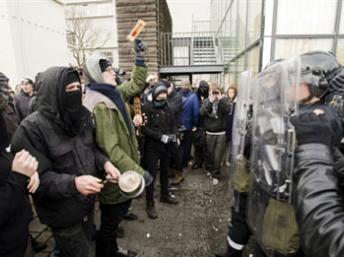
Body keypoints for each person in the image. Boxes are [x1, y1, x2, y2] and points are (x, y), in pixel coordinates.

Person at [11, 67, 120, 257]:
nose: (75, 92)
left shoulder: (82, 116)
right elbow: (38, 180)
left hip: (87, 204)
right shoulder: (30, 129)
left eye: (78, 87)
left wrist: (105, 164)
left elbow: (92, 149)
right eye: (69, 88)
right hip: (62, 214)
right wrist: (74, 183)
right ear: (54, 92)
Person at [83, 38, 148, 257]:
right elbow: (111, 149)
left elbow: (136, 84)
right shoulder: (99, 103)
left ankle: (111, 249)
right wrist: (140, 172)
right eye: (108, 70)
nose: (113, 72)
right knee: (111, 220)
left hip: (124, 168)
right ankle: (107, 251)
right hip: (113, 174)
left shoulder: (113, 93)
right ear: (96, 73)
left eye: (111, 68)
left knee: (116, 216)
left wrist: (139, 59)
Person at [142, 82, 178, 219]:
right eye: (161, 93)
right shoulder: (147, 108)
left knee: (164, 172)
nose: (164, 95)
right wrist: (159, 136)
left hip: (167, 146)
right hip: (153, 147)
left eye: (165, 93)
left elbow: (173, 124)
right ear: (156, 94)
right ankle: (149, 203)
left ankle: (165, 195)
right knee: (151, 175)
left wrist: (176, 136)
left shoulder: (167, 107)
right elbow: (145, 129)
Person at [200, 83, 231, 178]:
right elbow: (202, 112)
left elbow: (228, 110)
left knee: (218, 156)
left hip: (221, 133)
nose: (215, 94)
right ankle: (210, 169)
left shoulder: (224, 101)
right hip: (210, 132)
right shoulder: (207, 101)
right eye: (213, 92)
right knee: (210, 154)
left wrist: (221, 99)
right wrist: (210, 101)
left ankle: (216, 173)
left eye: (216, 92)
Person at [179, 79, 200, 169]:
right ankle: (184, 163)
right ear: (190, 85)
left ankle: (177, 163)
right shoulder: (193, 96)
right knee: (187, 145)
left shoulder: (177, 95)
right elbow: (196, 112)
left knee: (179, 144)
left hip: (178, 125)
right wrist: (195, 124)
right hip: (188, 125)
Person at [192, 80, 209, 170]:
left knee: (205, 145)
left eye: (205, 89)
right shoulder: (195, 97)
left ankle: (204, 162)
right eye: (202, 88)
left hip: (205, 124)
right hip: (198, 124)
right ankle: (198, 161)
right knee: (197, 145)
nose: (203, 90)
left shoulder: (208, 97)